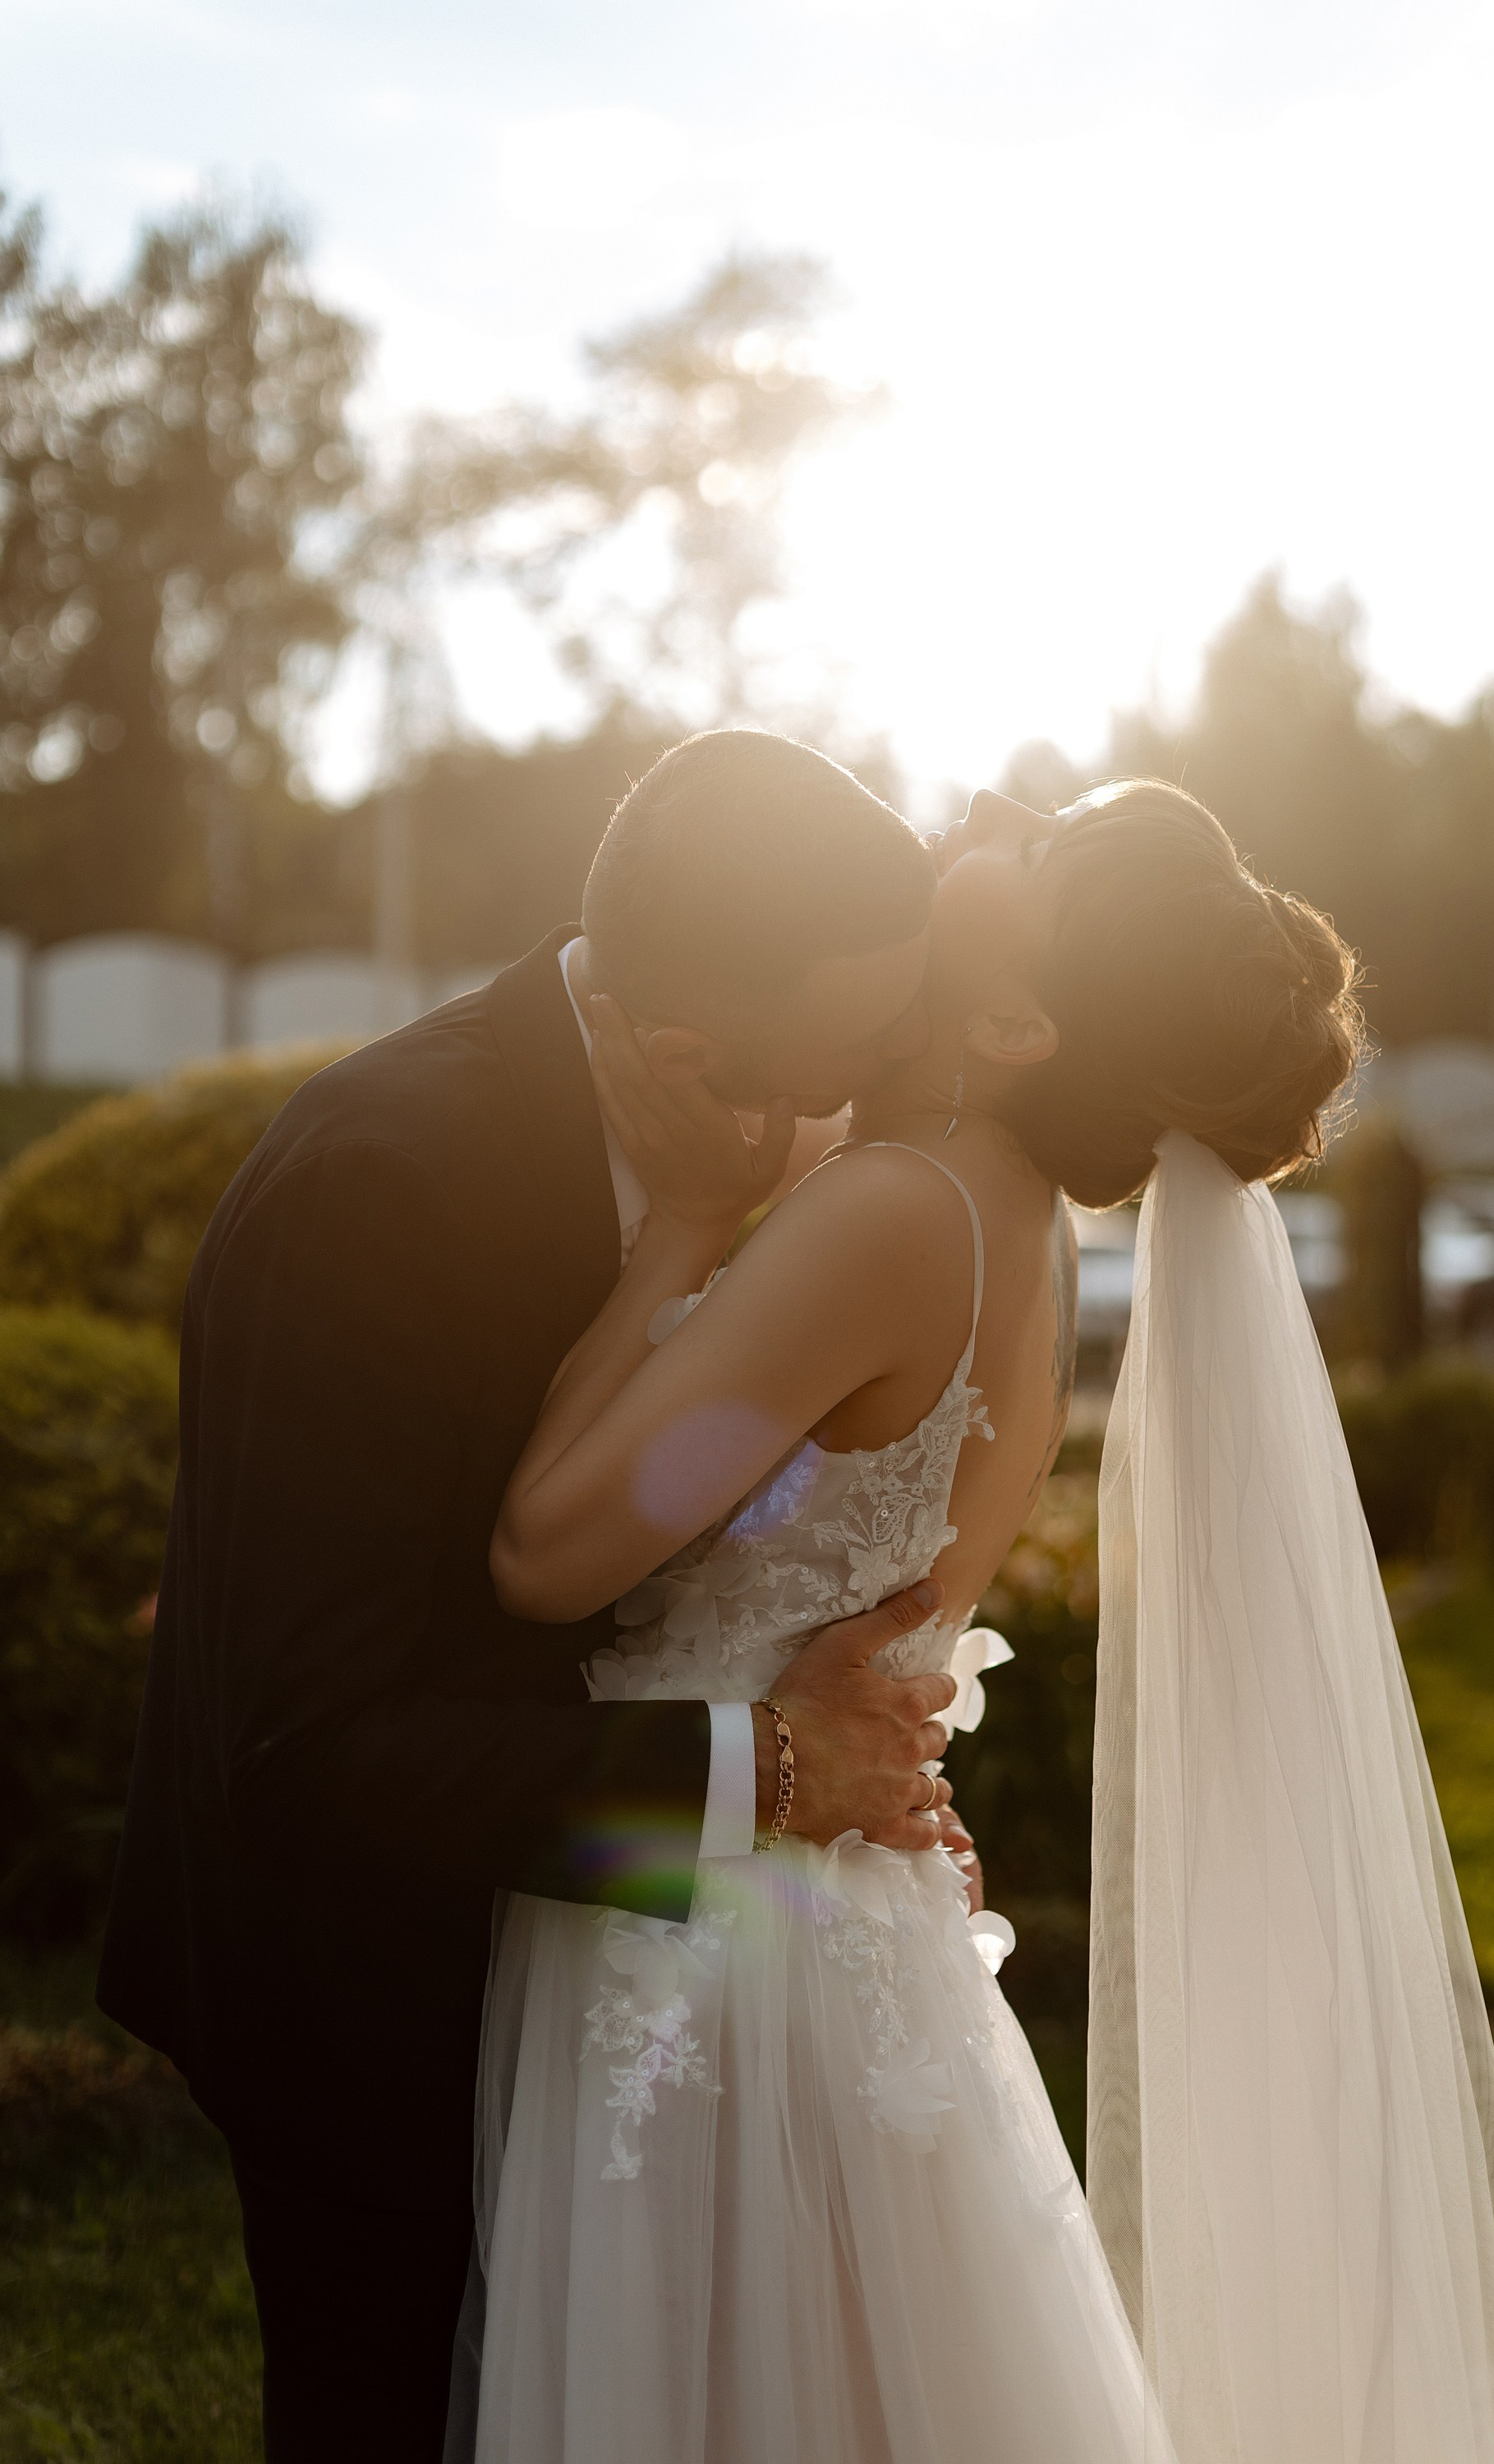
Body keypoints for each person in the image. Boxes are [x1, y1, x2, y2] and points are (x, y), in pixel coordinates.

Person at [474, 759, 1494, 2463]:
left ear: (1009, 1026)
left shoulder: (888, 1218)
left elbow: (547, 1550)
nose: (994, 800)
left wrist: (682, 1224)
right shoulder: (1013, 1226)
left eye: (1035, 850)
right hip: (849, 1928)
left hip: (714, 1957)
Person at [95, 733, 981, 2464]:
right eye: (863, 1034)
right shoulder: (381, 1187)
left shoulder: (765, 1140)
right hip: (361, 1974)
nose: (895, 1060)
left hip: (586, 1938)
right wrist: (768, 1784)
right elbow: (310, 1743)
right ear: (684, 1051)